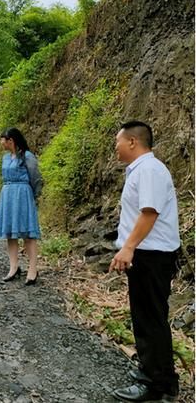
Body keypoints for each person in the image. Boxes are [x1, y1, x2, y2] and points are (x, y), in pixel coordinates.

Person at [109, 121, 180, 402]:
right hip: (147, 254)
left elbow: (149, 213)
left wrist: (128, 248)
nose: (115, 147)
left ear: (132, 142)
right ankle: (158, 377)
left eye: (117, 142)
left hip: (151, 255)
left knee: (150, 319)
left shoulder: (149, 169)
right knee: (147, 318)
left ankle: (156, 384)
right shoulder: (142, 169)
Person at [0, 128, 42, 286]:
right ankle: (13, 267)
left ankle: (32, 269)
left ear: (11, 141)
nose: (1, 143)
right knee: (10, 233)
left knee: (28, 233)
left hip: (23, 194)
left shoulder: (27, 156)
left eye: (3, 139)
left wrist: (33, 195)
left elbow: (36, 178)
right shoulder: (6, 158)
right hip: (8, 195)